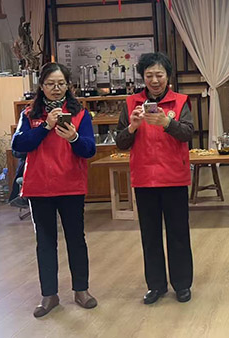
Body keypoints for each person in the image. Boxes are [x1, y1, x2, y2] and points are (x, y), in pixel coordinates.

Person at [11, 62, 98, 317]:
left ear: (68, 86)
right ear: (41, 86)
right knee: (45, 242)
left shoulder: (80, 114)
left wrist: (73, 138)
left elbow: (89, 150)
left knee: (76, 239)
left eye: (61, 84)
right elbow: (18, 146)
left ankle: (81, 290)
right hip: (39, 187)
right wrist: (45, 126)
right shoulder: (29, 115)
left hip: (71, 185)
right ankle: (49, 295)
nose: (56, 88)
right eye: (51, 84)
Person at [115, 52, 195, 305]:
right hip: (144, 178)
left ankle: (182, 284)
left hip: (174, 178)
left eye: (159, 75)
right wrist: (132, 127)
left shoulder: (180, 102)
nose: (155, 80)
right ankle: (156, 285)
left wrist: (166, 123)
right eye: (149, 75)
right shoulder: (131, 103)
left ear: (168, 77)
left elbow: (188, 134)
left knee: (178, 234)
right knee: (150, 236)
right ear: (143, 78)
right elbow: (120, 142)